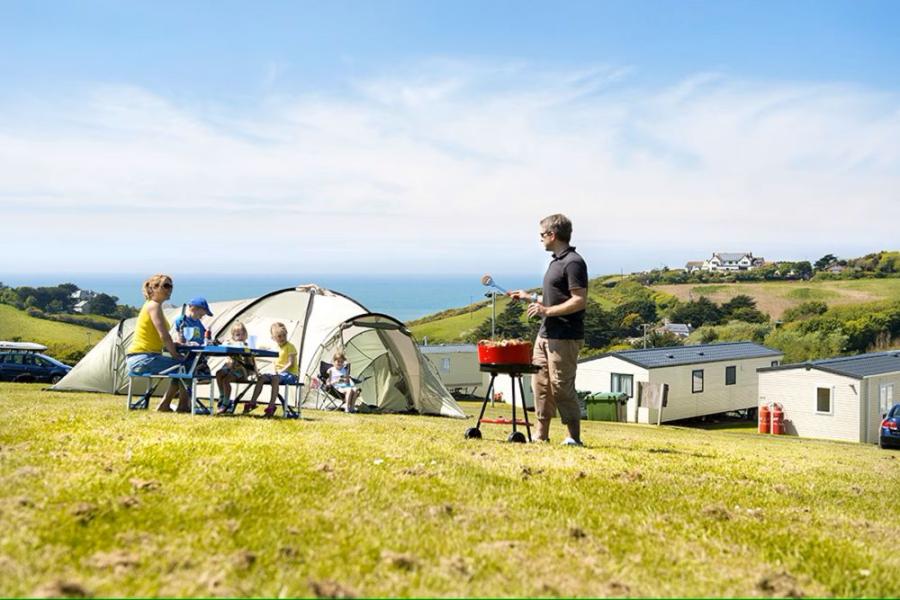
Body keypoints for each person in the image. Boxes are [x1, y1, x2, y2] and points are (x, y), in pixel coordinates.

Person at [508, 214, 588, 446]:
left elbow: (578, 300)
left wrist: (546, 312)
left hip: (565, 336)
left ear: (552, 235)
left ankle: (573, 437)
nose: (541, 239)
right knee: (541, 386)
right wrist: (528, 297)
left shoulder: (573, 262)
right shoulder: (556, 262)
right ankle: (540, 436)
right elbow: (555, 298)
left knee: (561, 386)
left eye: (542, 235)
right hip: (545, 335)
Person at [124, 274, 190, 412]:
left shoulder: (151, 306)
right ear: (154, 288)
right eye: (165, 285)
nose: (169, 289)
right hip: (143, 358)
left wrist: (174, 345)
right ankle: (181, 405)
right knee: (186, 366)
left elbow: (160, 337)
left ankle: (168, 404)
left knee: (183, 367)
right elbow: (164, 336)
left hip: (143, 357)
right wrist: (175, 354)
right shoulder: (154, 306)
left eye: (171, 286)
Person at [244, 322, 298, 418]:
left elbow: (290, 363)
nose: (282, 338)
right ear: (273, 338)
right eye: (279, 336)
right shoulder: (276, 347)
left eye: (284, 336)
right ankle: (252, 402)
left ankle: (271, 406)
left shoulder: (290, 347)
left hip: (290, 374)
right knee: (261, 378)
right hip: (278, 374)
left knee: (275, 378)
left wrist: (280, 371)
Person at [215, 321, 256, 414]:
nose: (239, 337)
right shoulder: (230, 343)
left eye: (241, 334)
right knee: (218, 373)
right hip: (229, 367)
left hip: (241, 370)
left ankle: (226, 402)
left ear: (245, 335)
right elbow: (223, 346)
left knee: (226, 380)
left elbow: (251, 361)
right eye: (237, 335)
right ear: (233, 335)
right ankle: (222, 395)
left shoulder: (246, 345)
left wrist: (254, 371)